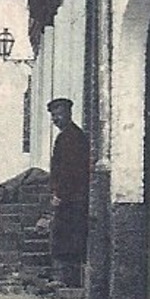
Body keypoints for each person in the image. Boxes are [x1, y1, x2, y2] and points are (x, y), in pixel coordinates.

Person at [48, 98, 91, 287]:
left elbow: (69, 170)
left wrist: (60, 194)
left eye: (58, 114)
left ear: (68, 114)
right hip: (70, 196)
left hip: (72, 198)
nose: (55, 119)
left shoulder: (72, 137)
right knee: (65, 235)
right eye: (53, 116)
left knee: (68, 236)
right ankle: (65, 279)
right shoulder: (67, 136)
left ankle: (68, 281)